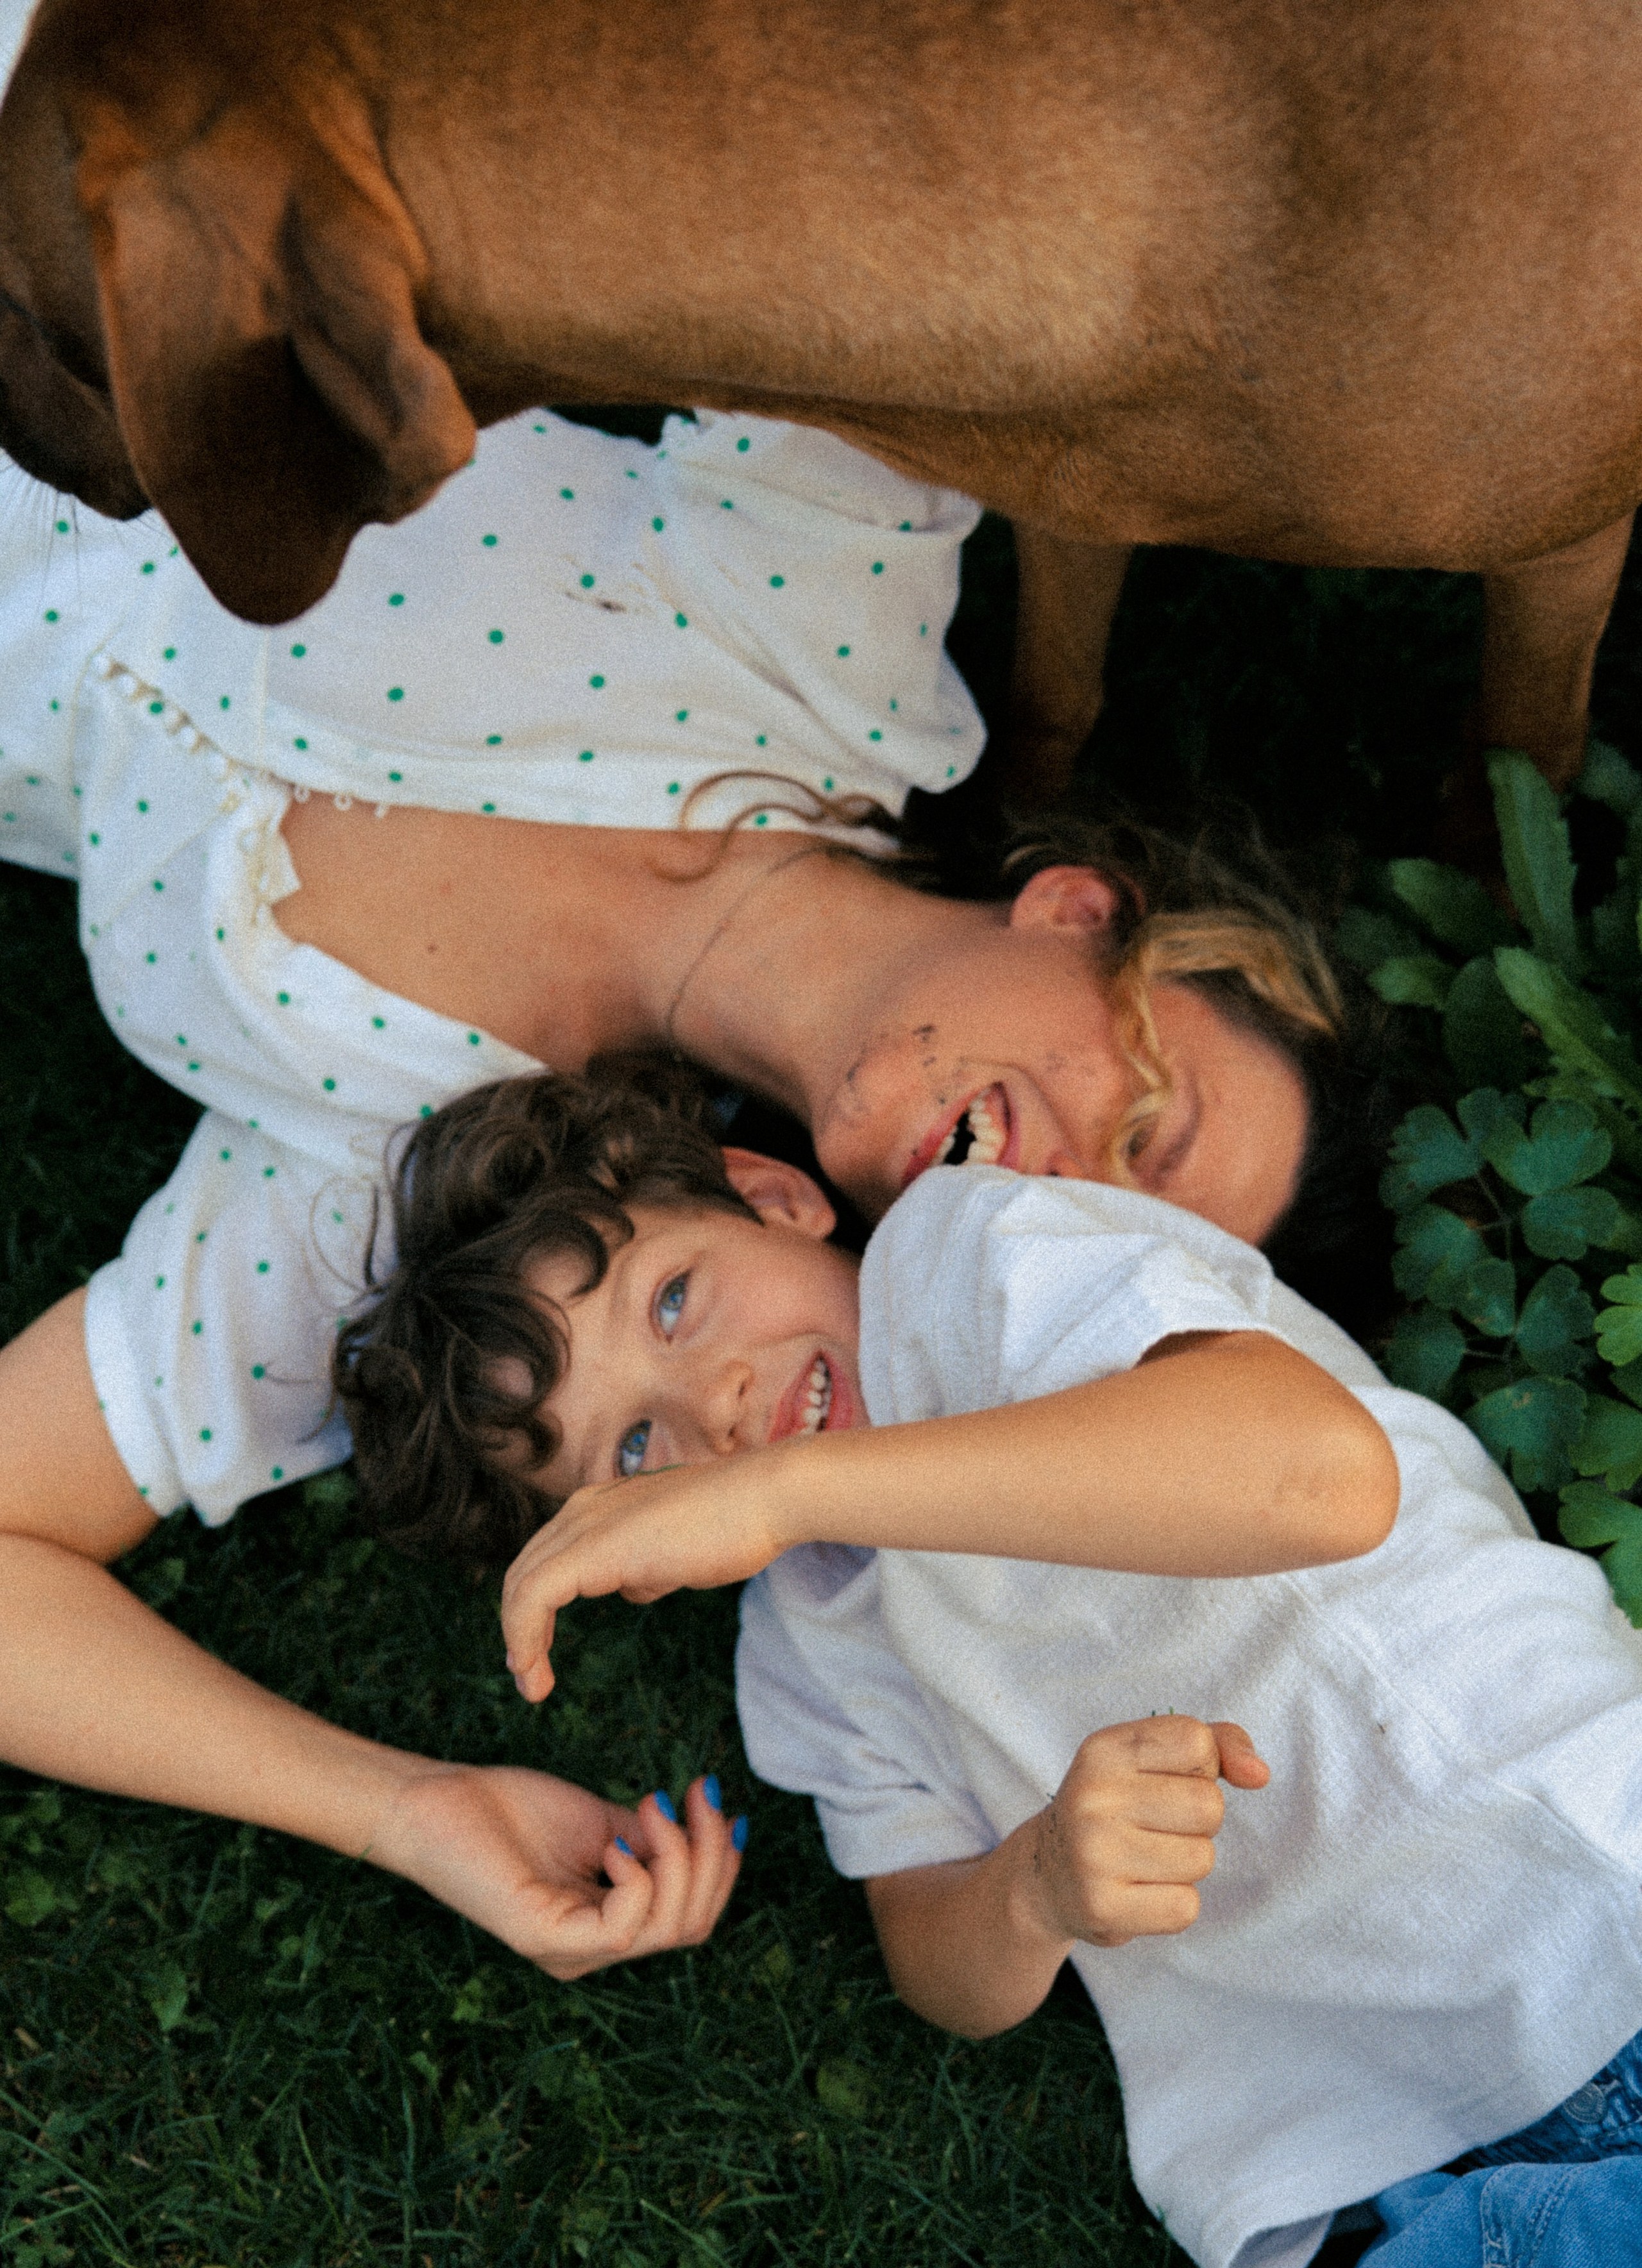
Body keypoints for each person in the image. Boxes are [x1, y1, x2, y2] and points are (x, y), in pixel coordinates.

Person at [0, 399, 1381, 1971]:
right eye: (1145, 1121)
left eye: (1105, 1237)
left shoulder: (458, 1210)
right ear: (1073, 912)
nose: (1055, 1187)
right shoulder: (821, 616)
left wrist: (403, 1808)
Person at [380, 1068, 1642, 2268]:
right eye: (633, 1450)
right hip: (1430, 2193)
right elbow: (935, 1956)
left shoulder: (971, 1262)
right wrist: (1035, 1882)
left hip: (1592, 1917)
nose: (716, 1407)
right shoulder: (806, 1645)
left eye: (675, 1302)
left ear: (775, 1199)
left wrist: (779, 1489)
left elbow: (1315, 1475)